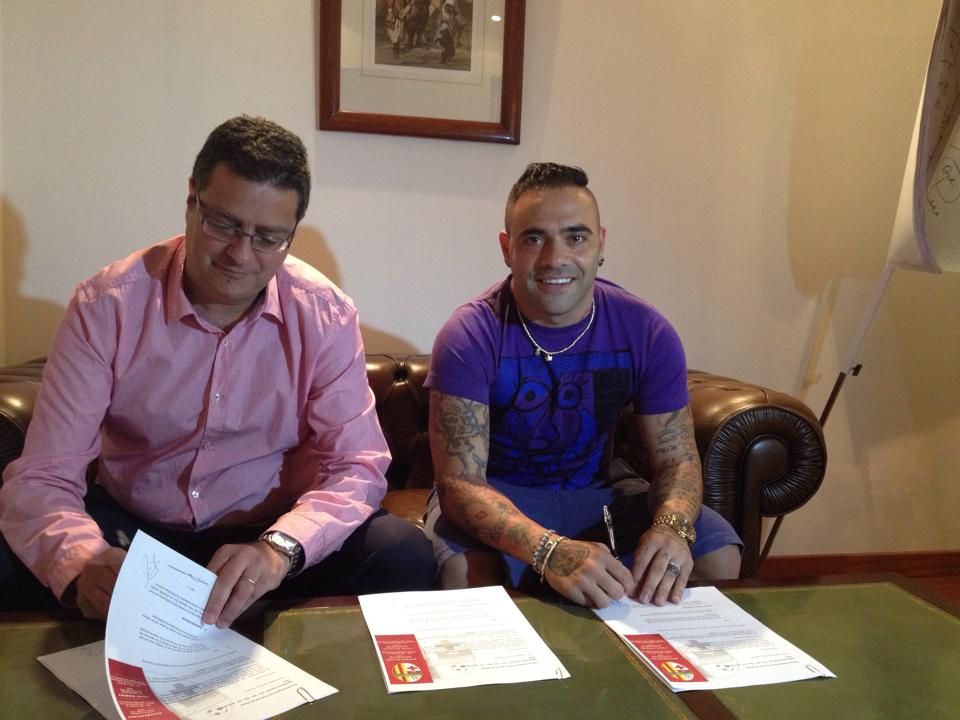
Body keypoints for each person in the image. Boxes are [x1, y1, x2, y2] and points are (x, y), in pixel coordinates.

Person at [0, 115, 435, 627]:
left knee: (402, 552)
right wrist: (80, 565)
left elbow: (357, 466)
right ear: (192, 200)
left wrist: (280, 550)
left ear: (291, 234)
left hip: (270, 535)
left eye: (268, 237)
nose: (240, 255)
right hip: (137, 534)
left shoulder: (324, 313)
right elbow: (45, 475)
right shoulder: (106, 305)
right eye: (224, 224)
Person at [424, 163, 741, 609]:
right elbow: (460, 484)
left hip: (598, 491)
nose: (555, 258)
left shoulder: (646, 330)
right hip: (499, 493)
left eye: (576, 237)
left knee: (718, 556)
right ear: (506, 248)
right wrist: (549, 551)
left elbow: (679, 461)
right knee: (467, 576)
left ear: (600, 244)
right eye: (534, 239)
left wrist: (672, 528)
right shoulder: (470, 334)